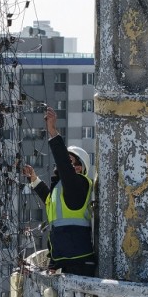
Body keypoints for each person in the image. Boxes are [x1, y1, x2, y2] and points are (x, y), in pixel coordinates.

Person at [22, 107, 96, 277]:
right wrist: (34, 179)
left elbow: (63, 165)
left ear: (81, 169)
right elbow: (49, 199)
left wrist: (53, 132)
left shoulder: (80, 185)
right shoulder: (61, 190)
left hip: (79, 262)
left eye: (73, 164)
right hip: (67, 259)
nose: (69, 167)